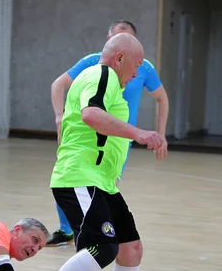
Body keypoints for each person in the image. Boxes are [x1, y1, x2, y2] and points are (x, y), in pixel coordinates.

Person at [20, 33, 165, 271]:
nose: (138, 74)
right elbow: (91, 114)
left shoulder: (110, 79)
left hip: (101, 182)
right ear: (119, 58)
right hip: (79, 177)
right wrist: (138, 133)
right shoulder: (102, 75)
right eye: (137, 65)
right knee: (104, 247)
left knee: (131, 249)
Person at [46, 20, 169, 247]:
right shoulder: (96, 67)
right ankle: (71, 230)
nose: (134, 72)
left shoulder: (143, 67)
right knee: (99, 240)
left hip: (120, 138)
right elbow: (61, 87)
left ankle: (92, 232)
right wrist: (59, 116)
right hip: (93, 143)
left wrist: (159, 135)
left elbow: (162, 98)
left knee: (125, 243)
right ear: (113, 48)